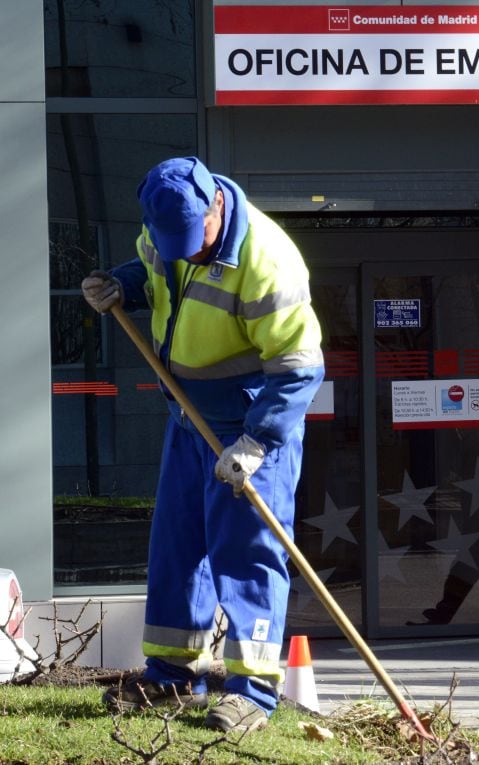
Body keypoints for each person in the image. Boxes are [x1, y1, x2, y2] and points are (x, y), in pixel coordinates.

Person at [81, 157, 324, 733]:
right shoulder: (165, 229)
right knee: (177, 546)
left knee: (248, 556)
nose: (184, 253)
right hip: (186, 418)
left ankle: (252, 694)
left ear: (216, 204)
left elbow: (299, 367)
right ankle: (170, 676)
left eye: (194, 242)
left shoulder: (269, 262)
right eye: (172, 244)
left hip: (250, 424)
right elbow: (158, 271)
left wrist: (256, 442)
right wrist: (125, 283)